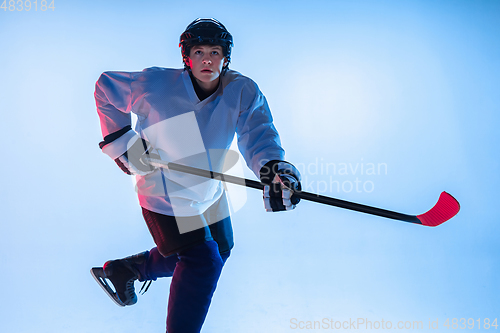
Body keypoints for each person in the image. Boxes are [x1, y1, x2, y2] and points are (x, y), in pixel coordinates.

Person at [91, 18, 302, 333]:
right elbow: (106, 87)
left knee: (221, 248)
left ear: (225, 58)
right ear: (186, 58)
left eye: (215, 52)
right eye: (199, 52)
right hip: (162, 191)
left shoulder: (242, 90)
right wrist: (126, 147)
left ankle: (128, 269)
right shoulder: (156, 85)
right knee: (203, 263)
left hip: (208, 190)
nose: (207, 59)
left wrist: (273, 170)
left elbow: (258, 135)